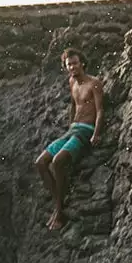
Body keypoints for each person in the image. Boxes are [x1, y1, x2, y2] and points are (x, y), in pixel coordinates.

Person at [36, 48, 105, 230]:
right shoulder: (72, 82)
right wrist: (69, 126)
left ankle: (59, 210)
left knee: (58, 161)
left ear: (82, 63)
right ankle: (59, 200)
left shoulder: (94, 83)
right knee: (41, 162)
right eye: (69, 65)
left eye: (75, 63)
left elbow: (100, 111)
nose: (72, 67)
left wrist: (96, 134)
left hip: (85, 131)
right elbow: (74, 106)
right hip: (72, 130)